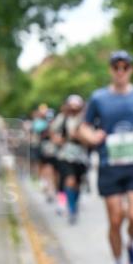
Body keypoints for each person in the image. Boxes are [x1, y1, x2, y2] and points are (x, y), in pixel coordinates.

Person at [77, 50, 133, 264]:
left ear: (131, 70)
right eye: (116, 67)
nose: (120, 72)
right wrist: (92, 136)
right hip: (110, 165)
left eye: (125, 67)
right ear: (111, 70)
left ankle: (131, 244)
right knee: (115, 219)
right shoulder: (99, 98)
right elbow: (83, 127)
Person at [53, 95, 90, 225]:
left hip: (81, 156)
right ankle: (71, 208)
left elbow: (90, 140)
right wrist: (59, 140)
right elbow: (53, 132)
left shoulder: (85, 120)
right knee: (70, 180)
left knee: (77, 184)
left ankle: (75, 203)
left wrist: (80, 137)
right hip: (66, 155)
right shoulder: (62, 119)